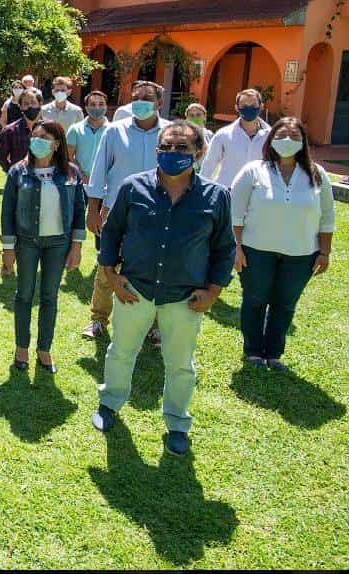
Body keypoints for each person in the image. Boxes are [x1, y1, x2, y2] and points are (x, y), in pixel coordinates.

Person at [92, 121, 233, 457]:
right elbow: (111, 234)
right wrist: (111, 277)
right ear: (157, 150)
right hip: (135, 290)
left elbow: (224, 248)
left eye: (182, 148)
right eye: (166, 147)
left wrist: (213, 292)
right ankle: (109, 404)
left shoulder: (216, 196)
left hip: (184, 298)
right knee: (120, 352)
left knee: (180, 365)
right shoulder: (132, 187)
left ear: (198, 153)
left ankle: (177, 423)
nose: (173, 153)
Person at [230, 117, 334, 371]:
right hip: (256, 250)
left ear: (304, 142)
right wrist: (237, 247)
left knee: (285, 303)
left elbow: (327, 216)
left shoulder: (316, 174)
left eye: (295, 136)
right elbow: (235, 211)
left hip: (301, 253)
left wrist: (324, 252)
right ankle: (253, 351)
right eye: (282, 135)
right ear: (271, 139)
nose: (287, 141)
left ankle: (273, 353)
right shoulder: (254, 170)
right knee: (255, 300)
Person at [83, 81, 169, 342]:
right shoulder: (114, 132)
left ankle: (155, 326)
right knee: (107, 264)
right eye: (136, 98)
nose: (140, 102)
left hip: (159, 210)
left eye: (147, 98)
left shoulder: (171, 133)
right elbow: (99, 170)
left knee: (157, 267)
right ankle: (98, 319)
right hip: (116, 210)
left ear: (159, 103)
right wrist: (93, 209)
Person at [0, 121, 86, 373]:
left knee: (50, 296)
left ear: (57, 144)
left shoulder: (70, 173)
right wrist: (8, 248)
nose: (37, 141)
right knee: (24, 295)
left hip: (58, 244)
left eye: (44, 137)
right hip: (27, 242)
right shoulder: (18, 172)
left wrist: (77, 246)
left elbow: (80, 209)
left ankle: (44, 349)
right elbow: (7, 212)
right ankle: (21, 348)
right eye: (35, 136)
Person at [202, 88, 271, 190]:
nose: (249, 109)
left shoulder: (271, 136)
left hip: (257, 195)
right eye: (244, 106)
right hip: (227, 192)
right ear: (237, 108)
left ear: (261, 107)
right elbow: (208, 165)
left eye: (253, 106)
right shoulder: (223, 135)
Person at [0, 88, 43, 173]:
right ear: (20, 107)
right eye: (26, 104)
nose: (30, 106)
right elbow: (0, 157)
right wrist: (13, 172)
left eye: (33, 103)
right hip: (20, 182)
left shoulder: (50, 129)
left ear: (40, 104)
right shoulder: (9, 131)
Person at [66, 90, 110, 181]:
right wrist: (82, 176)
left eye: (101, 104)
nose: (97, 107)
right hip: (80, 182)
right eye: (93, 104)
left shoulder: (113, 130)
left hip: (106, 183)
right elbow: (68, 156)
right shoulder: (75, 129)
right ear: (86, 108)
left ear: (106, 107)